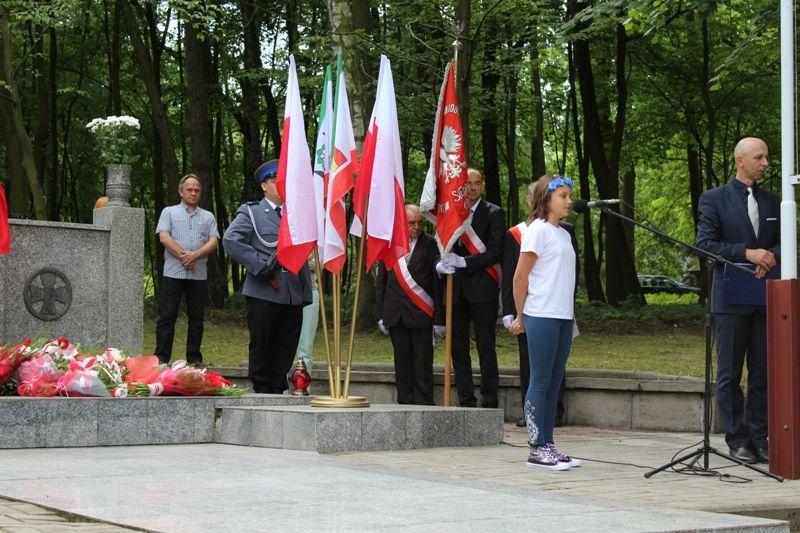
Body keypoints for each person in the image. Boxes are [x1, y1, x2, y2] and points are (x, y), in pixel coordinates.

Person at [696, 137, 780, 465]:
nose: (765, 163)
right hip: (730, 297)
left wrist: (769, 256)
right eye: (759, 157)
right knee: (729, 372)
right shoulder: (714, 199)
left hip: (765, 297)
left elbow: (785, 242)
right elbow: (705, 244)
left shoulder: (774, 202)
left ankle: (760, 436)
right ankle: (737, 439)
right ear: (739, 160)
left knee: (763, 371)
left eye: (767, 157)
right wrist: (747, 253)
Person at [222, 160, 312, 394]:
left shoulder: (296, 214)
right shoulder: (252, 212)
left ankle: (278, 386)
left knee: (286, 345)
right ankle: (262, 390)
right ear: (264, 185)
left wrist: (304, 290)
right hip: (265, 289)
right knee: (262, 344)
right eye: (275, 181)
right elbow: (231, 240)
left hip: (291, 291)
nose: (281, 185)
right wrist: (258, 265)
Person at [511, 174, 580, 471]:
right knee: (539, 380)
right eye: (562, 196)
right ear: (546, 198)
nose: (568, 201)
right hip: (541, 314)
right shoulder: (537, 230)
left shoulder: (564, 233)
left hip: (563, 316)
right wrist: (520, 314)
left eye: (569, 196)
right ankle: (536, 447)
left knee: (554, 381)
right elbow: (520, 276)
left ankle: (549, 443)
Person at [436, 168, 505, 408]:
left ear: (482, 186)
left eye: (477, 183)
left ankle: (490, 400)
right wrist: (441, 264)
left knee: (486, 347)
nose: (473, 188)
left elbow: (497, 251)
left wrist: (466, 262)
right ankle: (466, 399)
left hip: (482, 288)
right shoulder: (451, 213)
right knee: (458, 348)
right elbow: (442, 245)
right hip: (455, 292)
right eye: (468, 184)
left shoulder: (494, 213)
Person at [375, 205, 444, 405]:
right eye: (411, 223)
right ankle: (404, 405)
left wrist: (439, 319)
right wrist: (380, 314)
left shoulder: (431, 244)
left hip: (421, 314)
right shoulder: (389, 244)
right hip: (396, 315)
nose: (416, 227)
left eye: (419, 223)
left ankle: (424, 406)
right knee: (402, 365)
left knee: (422, 366)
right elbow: (382, 282)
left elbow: (437, 285)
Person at [154, 174, 219, 365]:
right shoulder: (169, 212)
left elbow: (214, 241)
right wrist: (185, 256)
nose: (193, 193)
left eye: (197, 190)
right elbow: (164, 237)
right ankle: (162, 358)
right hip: (173, 273)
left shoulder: (208, 216)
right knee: (166, 317)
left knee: (197, 320)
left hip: (198, 275)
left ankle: (194, 359)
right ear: (181, 191)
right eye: (189, 189)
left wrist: (195, 255)